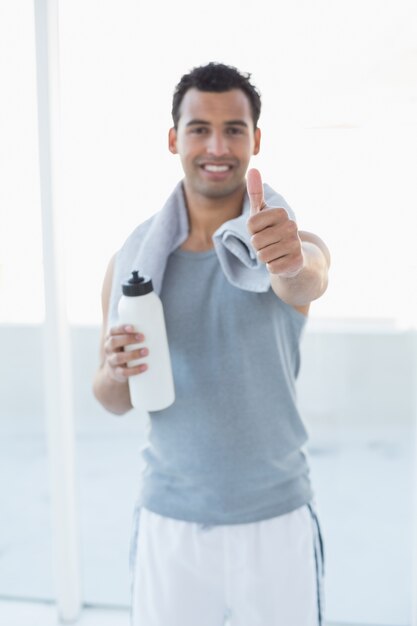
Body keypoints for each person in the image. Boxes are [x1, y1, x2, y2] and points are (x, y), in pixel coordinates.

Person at [93, 62, 331, 626]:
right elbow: (111, 398)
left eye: (235, 128)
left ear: (256, 140)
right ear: (174, 138)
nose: (217, 145)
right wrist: (113, 369)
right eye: (200, 127)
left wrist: (292, 259)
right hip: (171, 525)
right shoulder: (130, 262)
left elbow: (307, 278)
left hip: (276, 522)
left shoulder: (285, 242)